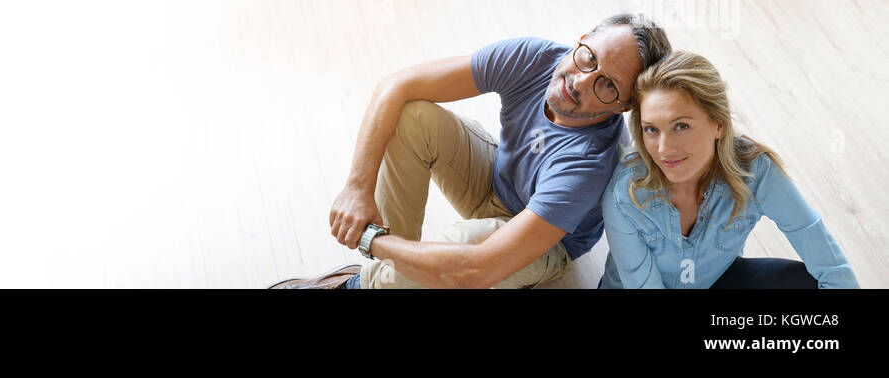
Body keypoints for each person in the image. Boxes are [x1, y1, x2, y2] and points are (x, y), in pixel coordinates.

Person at [270, 13, 671, 289]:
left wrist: (370, 240)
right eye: (588, 57)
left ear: (623, 106)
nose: (580, 82)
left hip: (541, 244)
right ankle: (389, 277)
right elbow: (398, 85)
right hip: (495, 181)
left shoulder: (590, 162)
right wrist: (357, 187)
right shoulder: (534, 57)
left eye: (607, 85)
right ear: (582, 39)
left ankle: (367, 281)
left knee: (454, 258)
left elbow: (474, 270)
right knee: (413, 117)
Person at [597, 50, 859, 289]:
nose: (664, 149)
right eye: (652, 129)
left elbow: (828, 262)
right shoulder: (625, 193)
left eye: (681, 126)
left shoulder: (756, 171)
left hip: (713, 283)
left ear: (719, 125)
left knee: (802, 283)